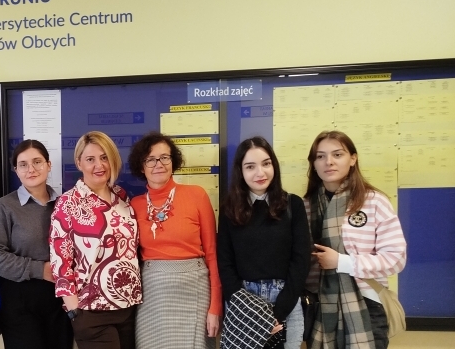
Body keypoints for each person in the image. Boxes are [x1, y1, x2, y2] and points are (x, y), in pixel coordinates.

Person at [304, 131, 406, 349]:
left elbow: (396, 258)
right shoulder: (305, 206)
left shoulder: (373, 201)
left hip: (367, 305)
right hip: (321, 307)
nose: (328, 162)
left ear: (353, 158)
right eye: (320, 156)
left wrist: (342, 262)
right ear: (313, 163)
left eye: (337, 154)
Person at [127, 132, 222, 349]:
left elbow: (212, 254)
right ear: (141, 166)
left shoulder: (197, 195)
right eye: (150, 159)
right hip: (152, 296)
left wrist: (215, 307)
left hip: (194, 292)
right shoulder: (134, 205)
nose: (158, 164)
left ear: (173, 161)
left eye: (164, 157)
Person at [49, 131, 141, 349]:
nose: (99, 165)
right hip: (91, 312)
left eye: (104, 157)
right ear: (79, 163)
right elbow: (60, 262)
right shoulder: (67, 203)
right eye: (90, 159)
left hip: (128, 308)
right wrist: (75, 312)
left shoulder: (122, 197)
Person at [217, 136, 310, 349]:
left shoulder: (292, 205)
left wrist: (278, 313)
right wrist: (246, 308)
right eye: (250, 166)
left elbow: (301, 260)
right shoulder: (229, 209)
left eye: (266, 164)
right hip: (242, 301)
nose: (260, 173)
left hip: (285, 299)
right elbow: (225, 262)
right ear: (241, 171)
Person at [0, 140, 73, 349]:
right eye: (23, 164)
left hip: (60, 299)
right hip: (19, 300)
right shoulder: (5, 206)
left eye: (37, 162)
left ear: (49, 165)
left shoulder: (65, 204)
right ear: (16, 170)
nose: (31, 169)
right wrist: (40, 269)